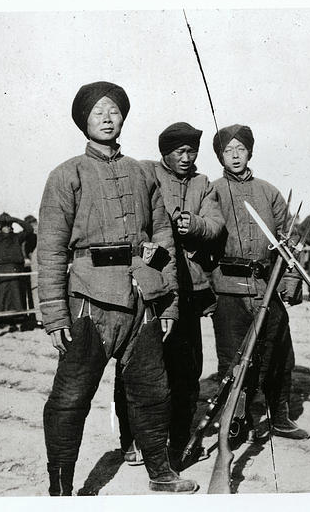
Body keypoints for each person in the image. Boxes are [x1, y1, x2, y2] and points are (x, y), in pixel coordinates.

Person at [37, 81, 197, 494]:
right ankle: (60, 491)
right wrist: (55, 315)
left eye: (114, 111)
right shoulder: (66, 174)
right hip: (90, 303)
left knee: (153, 391)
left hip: (142, 302)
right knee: (70, 398)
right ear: (84, 122)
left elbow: (163, 240)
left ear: (123, 117)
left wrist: (169, 304)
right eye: (98, 112)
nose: (107, 118)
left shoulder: (143, 173)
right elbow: (51, 250)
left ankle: (161, 474)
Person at [116, 122, 224, 467]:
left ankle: (177, 442)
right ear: (165, 152)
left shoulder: (202, 184)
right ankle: (130, 438)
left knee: (186, 370)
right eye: (181, 152)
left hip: (188, 289)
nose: (187, 158)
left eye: (192, 152)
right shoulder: (145, 173)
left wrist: (194, 225)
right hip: (151, 287)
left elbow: (215, 225)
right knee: (136, 368)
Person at [208, 123, 309, 442]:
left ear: (250, 152)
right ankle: (235, 423)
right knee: (233, 360)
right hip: (228, 290)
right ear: (220, 156)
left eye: (240, 149)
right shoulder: (212, 191)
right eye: (228, 150)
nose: (235, 156)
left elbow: (290, 237)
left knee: (279, 354)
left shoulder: (268, 191)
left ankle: (280, 417)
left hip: (267, 286)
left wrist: (291, 277)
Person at [0, 212, 34, 335]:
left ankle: (15, 323)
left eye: (9, 225)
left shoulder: (17, 237)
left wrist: (13, 219)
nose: (7, 227)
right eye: (4, 225)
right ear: (0, 226)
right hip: (0, 272)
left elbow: (29, 228)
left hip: (15, 271)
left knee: (15, 298)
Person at [21, 214, 39, 330]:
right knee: (30, 293)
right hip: (28, 268)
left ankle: (35, 316)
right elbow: (24, 249)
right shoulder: (27, 237)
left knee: (33, 292)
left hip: (35, 268)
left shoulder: (35, 236)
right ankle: (32, 316)